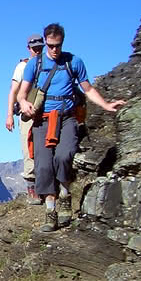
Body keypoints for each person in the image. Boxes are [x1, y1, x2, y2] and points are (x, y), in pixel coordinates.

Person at [17, 23, 126, 232]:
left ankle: (65, 194)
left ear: (62, 42)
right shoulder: (35, 65)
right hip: (42, 119)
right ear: (46, 42)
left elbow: (88, 89)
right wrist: (24, 104)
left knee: (64, 156)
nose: (54, 50)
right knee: (43, 166)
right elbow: (22, 94)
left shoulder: (74, 62)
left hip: (67, 118)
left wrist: (106, 105)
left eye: (58, 45)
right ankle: (50, 213)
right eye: (50, 45)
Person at [6, 34, 44, 205]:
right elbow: (13, 91)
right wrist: (9, 115)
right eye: (34, 47)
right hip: (27, 114)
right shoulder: (22, 67)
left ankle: (47, 186)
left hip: (46, 111)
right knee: (29, 148)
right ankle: (32, 188)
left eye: (40, 47)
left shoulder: (50, 65)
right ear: (29, 48)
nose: (37, 50)